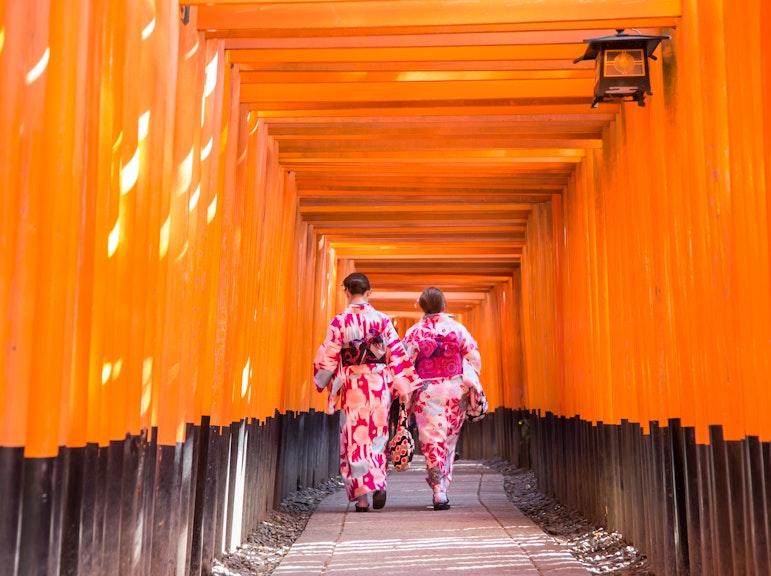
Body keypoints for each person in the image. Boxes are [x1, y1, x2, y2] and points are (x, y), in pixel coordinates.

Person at [313, 272, 421, 512]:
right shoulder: (382, 321)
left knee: (355, 439)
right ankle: (379, 481)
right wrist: (403, 386)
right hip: (379, 384)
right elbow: (396, 354)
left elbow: (328, 356)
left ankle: (362, 499)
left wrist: (322, 379)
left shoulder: (339, 322)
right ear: (369, 293)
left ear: (346, 293)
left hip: (353, 384)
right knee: (377, 435)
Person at [402, 287, 483, 510]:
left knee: (431, 440)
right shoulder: (457, 329)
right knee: (448, 439)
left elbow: (404, 364)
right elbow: (474, 358)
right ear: (444, 306)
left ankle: (439, 490)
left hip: (427, 391)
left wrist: (405, 395)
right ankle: (443, 485)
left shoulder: (414, 332)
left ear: (421, 306)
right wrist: (467, 377)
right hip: (456, 390)